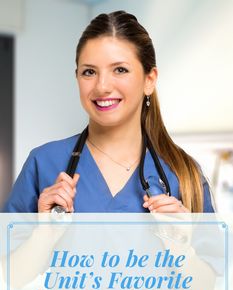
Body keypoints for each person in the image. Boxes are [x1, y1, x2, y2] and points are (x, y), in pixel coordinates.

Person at [3, 10, 214, 214]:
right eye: (89, 72)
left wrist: (182, 246)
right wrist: (43, 236)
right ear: (77, 78)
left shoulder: (186, 175)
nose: (102, 86)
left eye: (120, 69)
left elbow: (211, 251)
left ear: (149, 80)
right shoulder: (44, 163)